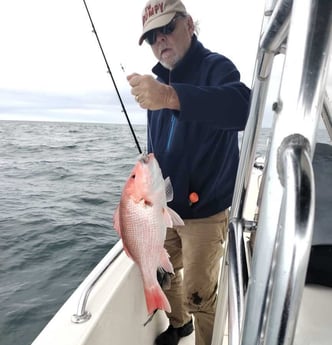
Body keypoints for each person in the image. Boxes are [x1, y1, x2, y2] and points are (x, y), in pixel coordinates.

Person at [127, 1, 251, 344]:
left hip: (206, 209)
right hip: (166, 208)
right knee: (164, 273)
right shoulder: (155, 85)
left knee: (199, 290)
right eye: (152, 37)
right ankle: (178, 325)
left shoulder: (215, 67)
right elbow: (160, 147)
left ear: (189, 25)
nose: (160, 41)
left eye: (167, 28)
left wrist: (169, 96)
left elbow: (243, 108)